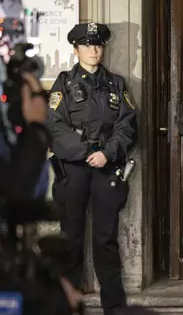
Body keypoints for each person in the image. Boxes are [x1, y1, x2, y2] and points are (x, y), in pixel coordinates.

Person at [47, 22, 137, 315]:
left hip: (106, 169)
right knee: (70, 238)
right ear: (76, 49)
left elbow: (127, 126)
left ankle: (114, 306)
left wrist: (106, 154)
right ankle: (67, 304)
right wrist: (88, 152)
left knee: (105, 239)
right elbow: (55, 127)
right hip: (73, 169)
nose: (94, 50)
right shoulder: (63, 83)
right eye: (87, 45)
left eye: (98, 45)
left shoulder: (117, 84)